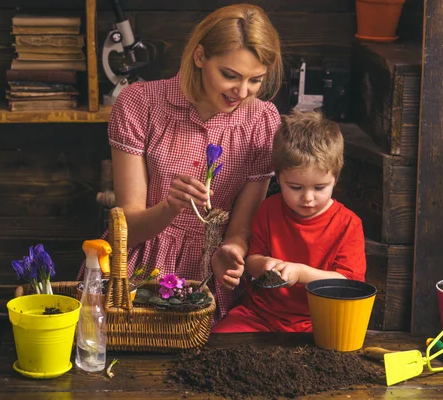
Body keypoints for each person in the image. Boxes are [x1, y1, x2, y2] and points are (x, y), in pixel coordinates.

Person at [78, 4, 284, 323]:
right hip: (136, 271)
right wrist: (169, 207)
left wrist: (231, 251)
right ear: (200, 57)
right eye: (229, 75)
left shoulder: (262, 121)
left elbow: (241, 228)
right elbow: (126, 231)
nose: (242, 92)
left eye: (255, 80)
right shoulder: (140, 103)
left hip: (208, 275)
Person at [212, 110, 367, 333]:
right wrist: (264, 265)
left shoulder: (348, 224)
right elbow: (252, 260)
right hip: (260, 315)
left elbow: (347, 283)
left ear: (335, 178)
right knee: (221, 337)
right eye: (295, 187)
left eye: (320, 187)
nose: (308, 197)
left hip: (318, 320)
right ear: (278, 177)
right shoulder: (268, 209)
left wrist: (300, 274)